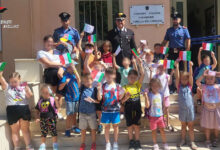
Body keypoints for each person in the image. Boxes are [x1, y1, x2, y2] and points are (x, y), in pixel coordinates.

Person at [0, 72, 33, 150]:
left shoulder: (24, 86)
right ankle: (16, 147)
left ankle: (29, 146)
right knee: (15, 130)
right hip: (12, 110)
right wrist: (0, 74)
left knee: (25, 129)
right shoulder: (7, 87)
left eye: (15, 81)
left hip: (24, 109)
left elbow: (30, 96)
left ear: (19, 80)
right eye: (11, 82)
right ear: (9, 81)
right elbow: (2, 80)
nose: (13, 83)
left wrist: (28, 90)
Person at [37, 35, 65, 120]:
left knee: (59, 95)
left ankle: (58, 112)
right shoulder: (41, 52)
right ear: (44, 42)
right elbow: (48, 63)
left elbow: (65, 61)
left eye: (51, 41)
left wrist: (61, 68)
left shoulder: (57, 51)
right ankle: (50, 112)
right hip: (50, 73)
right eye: (48, 41)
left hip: (60, 72)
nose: (50, 43)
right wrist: (61, 65)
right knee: (51, 94)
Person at [97, 67, 125, 150]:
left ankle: (115, 142)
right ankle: (108, 143)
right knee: (107, 127)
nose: (109, 76)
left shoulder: (118, 86)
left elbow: (119, 98)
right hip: (105, 111)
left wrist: (123, 93)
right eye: (107, 74)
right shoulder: (103, 86)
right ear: (105, 75)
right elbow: (99, 99)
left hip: (115, 111)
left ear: (114, 75)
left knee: (116, 127)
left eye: (111, 74)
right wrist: (98, 90)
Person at [121, 57, 144, 150]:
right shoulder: (124, 87)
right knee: (130, 126)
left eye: (134, 78)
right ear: (128, 77)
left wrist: (140, 64)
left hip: (137, 109)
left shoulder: (137, 85)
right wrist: (125, 97)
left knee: (137, 126)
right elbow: (121, 101)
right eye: (131, 77)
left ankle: (137, 141)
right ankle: (131, 141)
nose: (133, 79)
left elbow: (143, 74)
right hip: (128, 109)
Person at [175, 61, 197, 149]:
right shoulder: (179, 86)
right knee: (183, 126)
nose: (184, 80)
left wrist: (191, 66)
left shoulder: (190, 86)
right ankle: (183, 140)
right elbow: (177, 77)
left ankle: (192, 142)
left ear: (188, 80)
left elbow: (191, 76)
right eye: (182, 79)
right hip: (182, 110)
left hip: (190, 110)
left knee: (191, 127)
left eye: (185, 79)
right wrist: (176, 67)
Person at [196, 70, 220, 148]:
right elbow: (197, 82)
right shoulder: (204, 86)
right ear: (205, 79)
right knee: (207, 126)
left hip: (216, 109)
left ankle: (216, 139)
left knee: (217, 126)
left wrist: (217, 74)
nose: (209, 80)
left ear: (215, 79)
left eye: (211, 78)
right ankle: (207, 139)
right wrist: (203, 75)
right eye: (208, 78)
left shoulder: (218, 86)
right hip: (206, 109)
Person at [144, 78, 170, 150]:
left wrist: (164, 116)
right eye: (153, 86)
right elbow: (147, 106)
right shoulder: (149, 94)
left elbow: (164, 107)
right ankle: (155, 144)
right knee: (154, 131)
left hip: (160, 117)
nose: (155, 87)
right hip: (152, 117)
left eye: (156, 86)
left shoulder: (161, 94)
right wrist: (146, 96)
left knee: (162, 130)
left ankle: (165, 143)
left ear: (159, 86)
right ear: (150, 86)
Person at [79, 73, 101, 150]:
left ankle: (93, 143)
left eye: (88, 81)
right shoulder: (82, 88)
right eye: (84, 81)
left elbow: (99, 101)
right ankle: (82, 144)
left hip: (91, 113)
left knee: (93, 129)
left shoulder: (94, 89)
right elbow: (78, 79)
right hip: (82, 113)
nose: (86, 83)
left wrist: (93, 100)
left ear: (92, 80)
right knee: (83, 129)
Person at [58, 64, 81, 136]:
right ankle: (67, 129)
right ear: (67, 69)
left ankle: (74, 126)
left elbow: (79, 80)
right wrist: (65, 82)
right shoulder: (66, 76)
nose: (73, 68)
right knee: (69, 115)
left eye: (74, 67)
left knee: (74, 114)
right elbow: (60, 88)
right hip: (69, 98)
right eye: (71, 67)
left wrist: (75, 70)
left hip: (76, 98)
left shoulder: (75, 75)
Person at [35, 85, 58, 150]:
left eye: (47, 92)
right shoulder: (40, 101)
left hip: (51, 118)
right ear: (41, 93)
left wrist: (56, 100)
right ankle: (43, 145)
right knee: (43, 132)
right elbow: (37, 110)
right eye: (43, 92)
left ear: (50, 92)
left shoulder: (52, 99)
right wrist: (37, 117)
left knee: (53, 132)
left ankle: (55, 144)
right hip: (42, 119)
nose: (45, 94)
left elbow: (58, 106)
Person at [153, 63, 173, 131]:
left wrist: (172, 74)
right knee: (159, 111)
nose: (161, 68)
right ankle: (159, 125)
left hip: (165, 95)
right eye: (159, 67)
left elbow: (170, 83)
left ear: (164, 68)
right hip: (158, 96)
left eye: (162, 67)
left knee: (166, 110)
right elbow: (152, 82)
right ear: (158, 68)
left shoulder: (167, 75)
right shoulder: (155, 76)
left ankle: (167, 124)